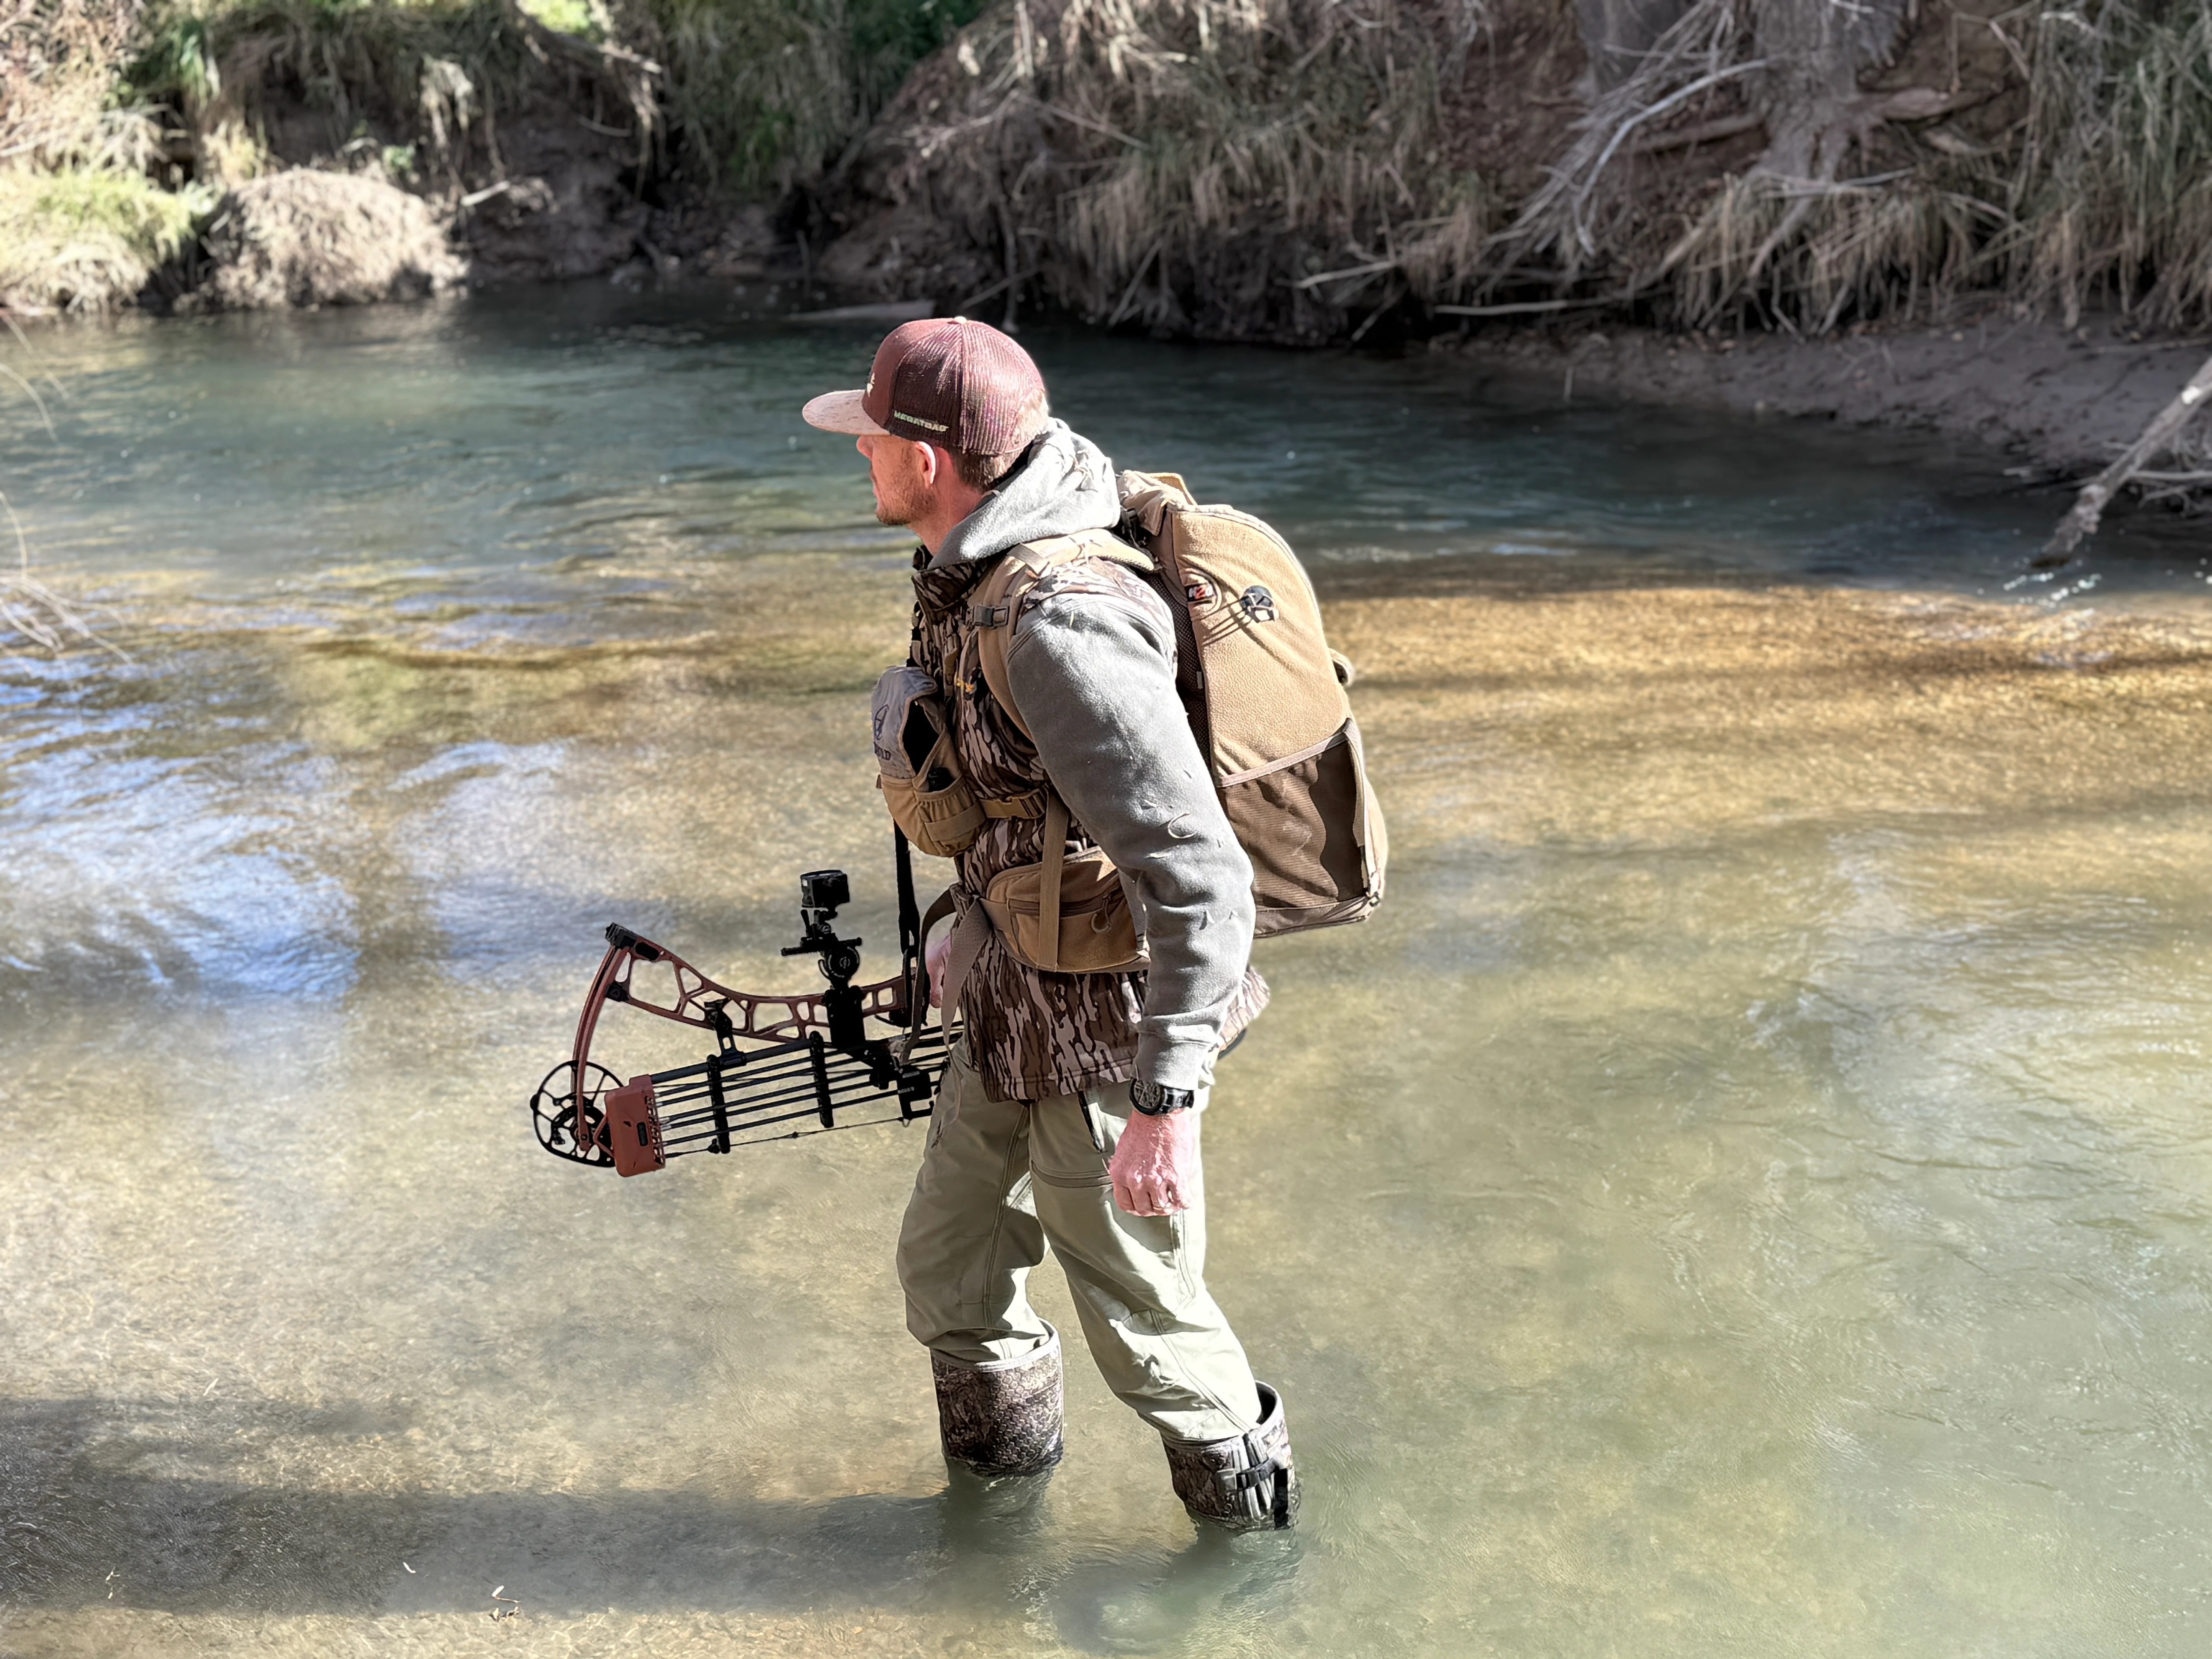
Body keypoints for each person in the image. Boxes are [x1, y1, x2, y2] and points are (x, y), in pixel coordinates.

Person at [801, 317, 1297, 1531]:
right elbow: (1029, 800)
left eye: (873, 435)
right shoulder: (974, 568)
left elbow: (1202, 876)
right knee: (949, 1260)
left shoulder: (1059, 621)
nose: (859, 452)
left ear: (930, 460)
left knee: (1154, 1336)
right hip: (1013, 996)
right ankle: (992, 1538)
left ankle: (1252, 1578)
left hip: (1109, 1042)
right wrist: (970, 919)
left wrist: (1166, 1106)